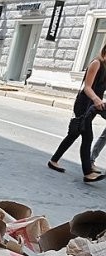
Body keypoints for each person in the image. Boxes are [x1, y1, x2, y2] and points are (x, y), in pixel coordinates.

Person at [48, 43, 106, 183]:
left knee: (73, 134)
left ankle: (53, 160)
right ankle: (87, 172)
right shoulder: (96, 63)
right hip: (84, 104)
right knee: (87, 137)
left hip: (94, 105)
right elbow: (87, 87)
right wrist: (96, 99)